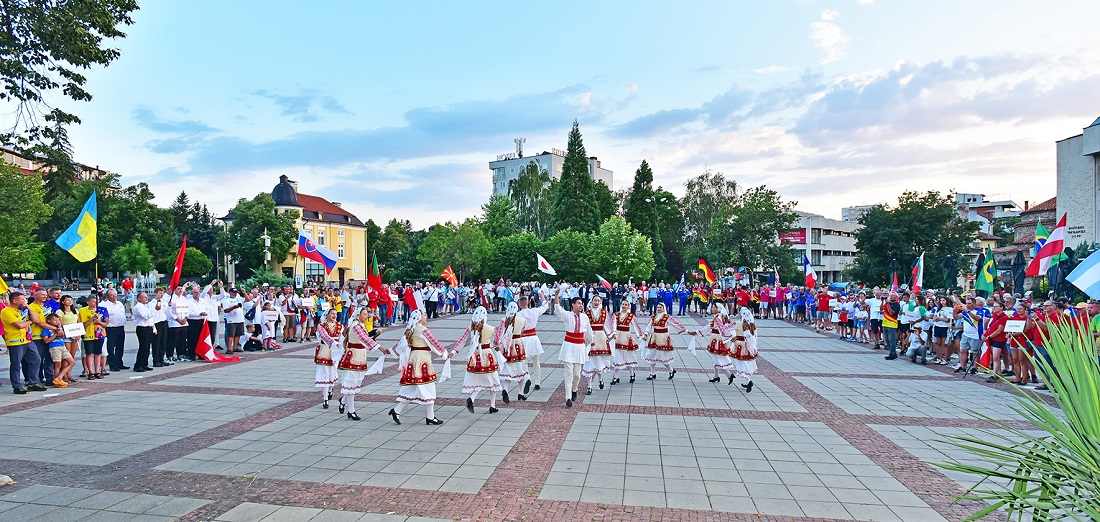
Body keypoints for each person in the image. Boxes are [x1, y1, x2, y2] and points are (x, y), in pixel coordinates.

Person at [386, 310, 454, 425]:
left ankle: (397, 411)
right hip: (422, 361)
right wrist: (445, 354)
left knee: (412, 388)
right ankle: (430, 417)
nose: (426, 316)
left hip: (413, 360)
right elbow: (434, 343)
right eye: (424, 315)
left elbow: (401, 344)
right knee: (428, 386)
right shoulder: (423, 330)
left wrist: (390, 351)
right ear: (419, 318)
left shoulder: (410, 329)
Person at [453, 307, 502, 414]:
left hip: (475, 356)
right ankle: (492, 406)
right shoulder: (492, 329)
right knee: (492, 380)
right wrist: (496, 346)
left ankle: (473, 399)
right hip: (487, 356)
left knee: (479, 381)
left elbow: (461, 341)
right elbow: (497, 342)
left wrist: (453, 351)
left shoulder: (471, 328)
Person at [553, 289, 593, 408]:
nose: (581, 305)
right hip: (569, 346)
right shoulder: (568, 315)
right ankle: (568, 397)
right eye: (579, 303)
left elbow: (589, 332)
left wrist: (591, 341)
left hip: (579, 347)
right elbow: (558, 309)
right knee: (568, 373)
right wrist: (556, 295)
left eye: (582, 303)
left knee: (577, 374)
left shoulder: (585, 317)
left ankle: (574, 389)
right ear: (573, 305)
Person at [3, 292, 43, 393]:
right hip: (15, 341)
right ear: (14, 301)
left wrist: (29, 309)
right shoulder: (7, 311)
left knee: (36, 359)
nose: (24, 301)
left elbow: (36, 320)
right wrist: (30, 322)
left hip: (27, 339)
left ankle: (33, 382)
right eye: (22, 300)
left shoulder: (23, 310)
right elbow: (19, 325)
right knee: (16, 364)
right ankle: (16, 386)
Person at [642, 302, 691, 381]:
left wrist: (686, 331)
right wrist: (646, 334)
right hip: (654, 337)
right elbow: (648, 326)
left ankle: (671, 370)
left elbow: (676, 324)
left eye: (660, 307)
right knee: (651, 355)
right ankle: (652, 373)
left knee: (663, 356)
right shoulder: (653, 317)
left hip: (663, 338)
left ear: (663, 308)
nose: (658, 309)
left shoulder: (666, 317)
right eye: (657, 307)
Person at [515, 295, 550, 394]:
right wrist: (543, 297)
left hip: (524, 339)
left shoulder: (518, 315)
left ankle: (527, 379)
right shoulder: (534, 311)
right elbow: (545, 306)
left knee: (524, 361)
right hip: (534, 338)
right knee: (536, 361)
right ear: (528, 303)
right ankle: (537, 382)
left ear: (520, 305)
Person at [496, 303, 530, 403]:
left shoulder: (503, 320)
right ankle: (520, 393)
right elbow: (523, 330)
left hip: (507, 345)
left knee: (508, 368)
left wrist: (499, 345)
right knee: (521, 368)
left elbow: (500, 334)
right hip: (518, 344)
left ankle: (505, 390)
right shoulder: (522, 320)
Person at [582, 296, 613, 395]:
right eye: (595, 300)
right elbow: (584, 327)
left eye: (598, 300)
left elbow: (607, 326)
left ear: (600, 302)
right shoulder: (586, 314)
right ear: (592, 301)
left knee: (599, 360)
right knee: (589, 362)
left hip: (601, 338)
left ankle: (600, 379)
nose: (596, 302)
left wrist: (611, 335)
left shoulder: (604, 313)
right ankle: (589, 386)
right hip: (590, 338)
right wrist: (583, 336)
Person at [315, 309, 343, 410]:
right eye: (332, 313)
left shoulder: (340, 326)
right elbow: (325, 336)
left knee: (333, 373)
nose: (334, 316)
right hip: (324, 351)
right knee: (324, 374)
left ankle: (330, 389)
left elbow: (343, 337)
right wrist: (334, 343)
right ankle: (325, 399)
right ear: (327, 315)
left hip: (335, 353)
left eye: (335, 314)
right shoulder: (321, 326)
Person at [610, 300, 642, 385]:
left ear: (628, 307)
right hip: (618, 337)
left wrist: (640, 336)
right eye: (623, 304)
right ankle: (616, 376)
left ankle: (632, 374)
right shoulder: (616, 315)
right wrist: (613, 333)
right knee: (617, 356)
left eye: (626, 305)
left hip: (627, 337)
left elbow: (636, 326)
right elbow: (612, 325)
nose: (624, 306)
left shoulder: (631, 316)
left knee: (629, 356)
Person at [705, 303, 737, 384]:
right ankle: (716, 376)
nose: (712, 309)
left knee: (717, 358)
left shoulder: (717, 318)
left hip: (717, 340)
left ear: (718, 309)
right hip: (717, 339)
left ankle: (729, 375)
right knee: (715, 358)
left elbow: (722, 329)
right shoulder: (723, 316)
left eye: (713, 307)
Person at [79, 295, 109, 380]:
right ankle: (90, 372)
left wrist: (99, 322)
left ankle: (97, 371)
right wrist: (92, 319)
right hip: (88, 334)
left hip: (99, 334)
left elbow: (105, 324)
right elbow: (82, 325)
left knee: (98, 353)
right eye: (93, 301)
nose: (95, 302)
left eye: (97, 301)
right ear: (88, 302)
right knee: (89, 353)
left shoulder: (102, 310)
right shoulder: (82, 311)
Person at [42, 314, 75, 387]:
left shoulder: (59, 328)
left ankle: (59, 377)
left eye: (58, 320)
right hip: (54, 347)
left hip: (62, 346)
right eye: (55, 320)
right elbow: (46, 341)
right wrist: (55, 335)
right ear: (49, 321)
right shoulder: (46, 330)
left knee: (72, 362)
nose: (57, 322)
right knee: (58, 364)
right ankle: (57, 381)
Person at [731, 307, 759, 392]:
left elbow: (726, 329)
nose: (738, 314)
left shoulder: (738, 323)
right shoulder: (751, 323)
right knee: (747, 362)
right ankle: (747, 381)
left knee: (742, 363)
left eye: (739, 312)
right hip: (749, 345)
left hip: (740, 345)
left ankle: (748, 381)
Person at [101, 289, 128, 372]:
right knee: (111, 346)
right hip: (110, 328)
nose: (114, 297)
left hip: (120, 327)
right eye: (112, 295)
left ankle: (119, 362)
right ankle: (112, 364)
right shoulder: (104, 305)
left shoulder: (119, 304)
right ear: (107, 296)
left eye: (115, 295)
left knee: (120, 346)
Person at [131, 292, 156, 372]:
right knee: (143, 347)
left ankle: (144, 364)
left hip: (148, 328)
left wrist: (153, 327)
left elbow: (150, 318)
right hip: (142, 328)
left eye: (146, 297)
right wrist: (154, 310)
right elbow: (146, 316)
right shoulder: (138, 307)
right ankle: (138, 365)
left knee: (147, 347)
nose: (146, 298)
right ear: (139, 298)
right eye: (144, 297)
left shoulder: (145, 306)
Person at [166, 286, 189, 363]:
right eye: (178, 289)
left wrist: (185, 318)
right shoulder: (171, 299)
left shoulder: (184, 299)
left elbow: (188, 309)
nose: (180, 290)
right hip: (174, 323)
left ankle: (180, 355)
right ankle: (170, 356)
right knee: (173, 340)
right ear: (174, 290)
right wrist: (177, 319)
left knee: (182, 340)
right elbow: (169, 312)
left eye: (181, 289)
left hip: (184, 323)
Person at [222, 288, 246, 354]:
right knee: (231, 335)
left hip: (240, 319)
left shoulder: (239, 299)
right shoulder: (226, 301)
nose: (234, 294)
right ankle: (229, 348)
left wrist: (244, 293)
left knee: (238, 334)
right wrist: (233, 307)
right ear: (230, 292)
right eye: (233, 292)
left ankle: (235, 347)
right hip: (231, 320)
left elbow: (248, 300)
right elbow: (225, 310)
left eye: (235, 292)